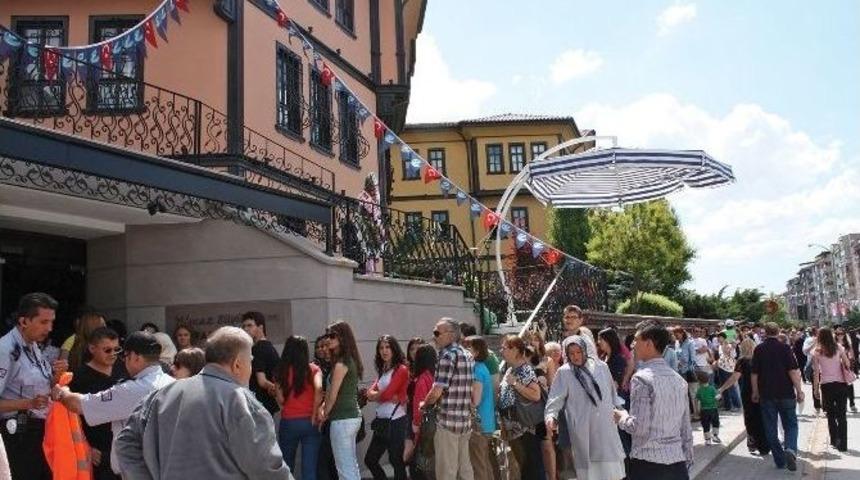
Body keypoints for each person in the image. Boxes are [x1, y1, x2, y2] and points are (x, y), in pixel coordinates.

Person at [115, 326, 292, 479]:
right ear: (238, 364)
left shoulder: (158, 397)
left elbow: (125, 443)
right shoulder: (241, 402)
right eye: (250, 361)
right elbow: (268, 469)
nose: (251, 368)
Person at [53, 331, 175, 475]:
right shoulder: (173, 383)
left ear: (135, 357)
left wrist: (61, 392)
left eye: (125, 357)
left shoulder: (132, 390)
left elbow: (79, 405)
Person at [614, 322, 693, 480]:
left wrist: (621, 417)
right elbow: (686, 427)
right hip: (677, 462)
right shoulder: (678, 380)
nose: (632, 345)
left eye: (636, 340)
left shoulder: (641, 379)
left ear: (649, 343)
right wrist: (687, 460)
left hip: (648, 464)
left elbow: (639, 427)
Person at [0, 292, 66, 480]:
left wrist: (58, 375)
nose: (49, 328)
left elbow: (44, 385)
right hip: (17, 434)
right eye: (43, 322)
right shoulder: (6, 350)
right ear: (24, 321)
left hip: (40, 431)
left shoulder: (33, 345)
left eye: (51, 322)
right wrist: (28, 403)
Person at [546, 335, 625, 480]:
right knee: (589, 470)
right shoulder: (564, 372)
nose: (576, 356)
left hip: (604, 425)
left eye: (578, 352)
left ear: (585, 350)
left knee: (610, 468)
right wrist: (551, 415)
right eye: (571, 353)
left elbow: (611, 393)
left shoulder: (601, 367)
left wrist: (620, 410)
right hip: (582, 426)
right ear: (567, 354)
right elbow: (555, 398)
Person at [423, 318, 476, 480]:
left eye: (437, 333)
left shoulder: (447, 356)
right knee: (465, 470)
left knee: (447, 472)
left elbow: (437, 390)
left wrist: (424, 404)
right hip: (464, 422)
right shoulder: (467, 355)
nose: (434, 337)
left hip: (447, 422)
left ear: (450, 334)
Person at [68, 327, 122, 480]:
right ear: (92, 348)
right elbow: (72, 417)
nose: (112, 354)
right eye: (107, 350)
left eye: (116, 349)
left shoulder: (123, 370)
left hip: (122, 450)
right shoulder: (79, 377)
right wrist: (86, 447)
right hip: (96, 452)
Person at [751, 322, 804, 471]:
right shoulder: (785, 348)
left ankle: (780, 460)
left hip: (767, 394)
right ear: (778, 331)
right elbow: (793, 371)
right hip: (786, 392)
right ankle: (790, 449)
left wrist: (755, 392)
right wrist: (799, 390)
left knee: (770, 428)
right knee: (791, 424)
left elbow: (754, 373)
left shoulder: (759, 349)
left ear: (764, 333)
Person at [322, 321, 364, 480]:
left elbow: (332, 394)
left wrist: (324, 415)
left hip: (342, 420)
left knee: (345, 470)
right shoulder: (345, 360)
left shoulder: (342, 363)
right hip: (349, 418)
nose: (328, 339)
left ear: (343, 337)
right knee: (350, 465)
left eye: (332, 336)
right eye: (327, 335)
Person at [277, 336, 323, 480]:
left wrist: (285, 407)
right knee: (309, 469)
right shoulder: (314, 369)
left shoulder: (280, 371)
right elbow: (319, 388)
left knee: (287, 467)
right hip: (310, 422)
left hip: (288, 422)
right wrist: (315, 413)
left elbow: (281, 400)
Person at [497, 334, 542, 480]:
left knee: (531, 466)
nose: (501, 351)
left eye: (504, 348)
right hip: (512, 427)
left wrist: (516, 384)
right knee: (524, 467)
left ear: (515, 350)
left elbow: (536, 395)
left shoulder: (525, 370)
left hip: (524, 427)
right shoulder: (510, 370)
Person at [365, 335, 409, 480]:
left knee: (396, 460)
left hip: (396, 420)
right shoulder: (384, 370)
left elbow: (386, 394)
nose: (384, 351)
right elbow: (369, 393)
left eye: (387, 347)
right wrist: (383, 395)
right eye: (381, 348)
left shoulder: (401, 369)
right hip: (382, 422)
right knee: (370, 460)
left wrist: (380, 395)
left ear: (394, 349)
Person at [717, 338, 769, 455]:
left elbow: (734, 377)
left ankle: (752, 442)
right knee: (761, 417)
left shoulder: (741, 361)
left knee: (750, 417)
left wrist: (722, 388)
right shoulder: (760, 359)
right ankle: (764, 445)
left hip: (747, 391)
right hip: (762, 391)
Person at [812, 327, 852, 452]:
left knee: (830, 414)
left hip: (826, 385)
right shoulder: (839, 347)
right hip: (841, 384)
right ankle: (843, 444)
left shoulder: (817, 351)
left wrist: (815, 389)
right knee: (842, 414)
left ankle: (834, 440)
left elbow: (816, 372)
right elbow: (848, 364)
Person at [464, 336, 497, 480]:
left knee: (478, 466)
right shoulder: (482, 368)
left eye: (467, 347)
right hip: (486, 423)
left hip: (479, 425)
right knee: (484, 463)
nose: (464, 350)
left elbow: (475, 401)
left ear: (476, 352)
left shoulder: (476, 370)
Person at [405, 344, 437, 480]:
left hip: (424, 426)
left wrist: (415, 425)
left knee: (418, 465)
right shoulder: (436, 376)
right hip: (437, 424)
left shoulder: (422, 379)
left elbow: (419, 406)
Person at [242, 312, 281, 415]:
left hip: (259, 404)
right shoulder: (270, 348)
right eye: (244, 326)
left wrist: (275, 389)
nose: (245, 329)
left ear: (260, 327)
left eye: (250, 325)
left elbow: (262, 381)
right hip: (267, 403)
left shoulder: (258, 349)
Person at [673, 326, 698, 419]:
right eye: (674, 334)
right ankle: (686, 413)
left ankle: (693, 413)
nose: (676, 336)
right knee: (683, 393)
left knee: (690, 393)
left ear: (682, 333)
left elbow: (693, 358)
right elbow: (676, 355)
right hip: (679, 370)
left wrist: (689, 368)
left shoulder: (690, 342)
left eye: (677, 334)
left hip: (688, 370)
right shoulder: (676, 343)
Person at [714, 332, 741, 411]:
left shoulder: (730, 345)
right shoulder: (719, 346)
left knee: (731, 386)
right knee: (723, 386)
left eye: (720, 337)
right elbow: (721, 356)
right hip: (721, 367)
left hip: (729, 368)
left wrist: (731, 347)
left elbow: (733, 355)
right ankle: (727, 405)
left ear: (724, 337)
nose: (719, 339)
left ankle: (737, 405)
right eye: (718, 337)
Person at [695, 370, 721, 444]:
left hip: (704, 410)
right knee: (715, 422)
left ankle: (707, 440)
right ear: (709, 379)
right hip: (713, 409)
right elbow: (717, 397)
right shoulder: (712, 388)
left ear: (699, 381)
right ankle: (715, 436)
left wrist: (696, 411)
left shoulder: (699, 390)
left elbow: (696, 400)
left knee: (705, 425)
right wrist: (720, 395)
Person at [834, 327, 857, 412]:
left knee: (850, 385)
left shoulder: (847, 343)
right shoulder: (834, 343)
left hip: (846, 366)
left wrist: (851, 364)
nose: (840, 336)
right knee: (841, 386)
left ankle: (852, 403)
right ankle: (844, 405)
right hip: (837, 366)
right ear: (835, 335)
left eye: (842, 334)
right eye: (838, 334)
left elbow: (852, 355)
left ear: (844, 334)